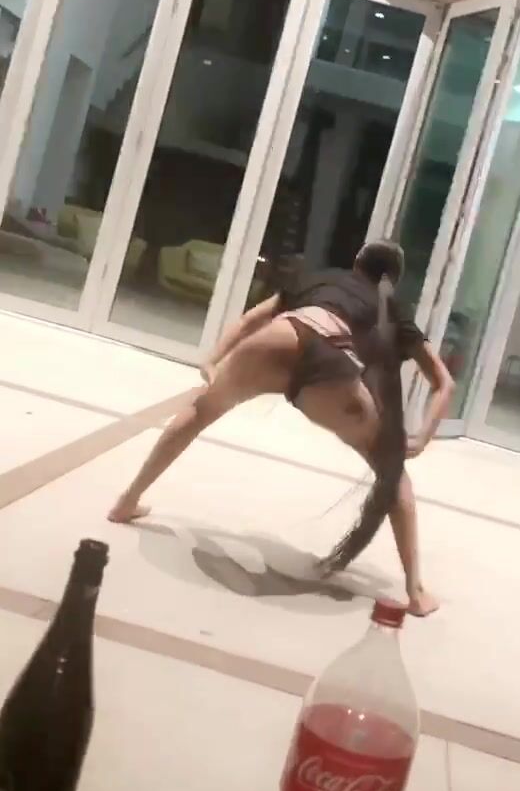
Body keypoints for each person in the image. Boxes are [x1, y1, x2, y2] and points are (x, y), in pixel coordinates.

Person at [108, 241, 454, 616]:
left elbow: (249, 321)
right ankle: (416, 593)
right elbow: (444, 382)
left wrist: (214, 359)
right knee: (395, 476)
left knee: (199, 412)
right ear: (392, 282)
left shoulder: (320, 278)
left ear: (356, 262)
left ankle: (127, 502)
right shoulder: (394, 311)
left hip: (280, 339)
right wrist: (422, 436)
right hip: (331, 372)